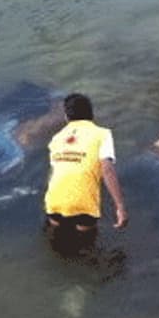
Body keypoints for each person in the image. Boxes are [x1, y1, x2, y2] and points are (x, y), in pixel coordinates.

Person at [44, 93, 129, 255]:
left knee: (57, 240)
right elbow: (107, 169)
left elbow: (54, 172)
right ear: (91, 113)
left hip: (54, 202)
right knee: (86, 244)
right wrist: (120, 207)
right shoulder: (102, 134)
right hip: (83, 203)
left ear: (66, 117)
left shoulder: (56, 138)